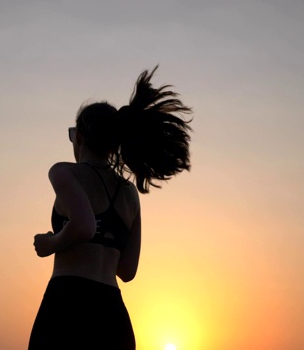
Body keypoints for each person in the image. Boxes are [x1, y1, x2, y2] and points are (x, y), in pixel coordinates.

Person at [29, 65, 192, 350]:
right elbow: (127, 270)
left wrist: (49, 244)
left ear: (79, 136)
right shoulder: (129, 193)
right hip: (112, 314)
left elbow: (84, 226)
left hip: (67, 305)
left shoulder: (63, 172)